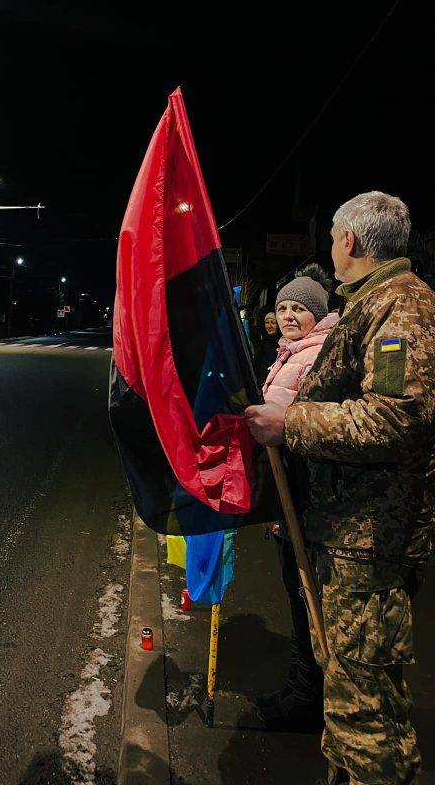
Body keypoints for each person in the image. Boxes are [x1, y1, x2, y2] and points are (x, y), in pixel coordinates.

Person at [246, 191, 435, 785]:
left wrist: (291, 422)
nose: (330, 246)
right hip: (348, 530)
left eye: (331, 236)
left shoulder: (400, 305)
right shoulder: (372, 303)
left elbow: (399, 417)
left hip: (370, 537)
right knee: (347, 700)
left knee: (366, 711)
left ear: (349, 240)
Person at [255, 266, 339, 733]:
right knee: (295, 592)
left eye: (300, 308)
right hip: (288, 492)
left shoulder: (318, 355)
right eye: (284, 307)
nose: (289, 314)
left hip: (307, 495)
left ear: (318, 315)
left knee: (308, 595)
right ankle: (300, 687)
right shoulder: (289, 353)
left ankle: (309, 696)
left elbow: (305, 419)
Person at [255, 310, 280, 384]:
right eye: (267, 322)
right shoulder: (262, 343)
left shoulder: (282, 344)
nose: (269, 326)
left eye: (273, 322)